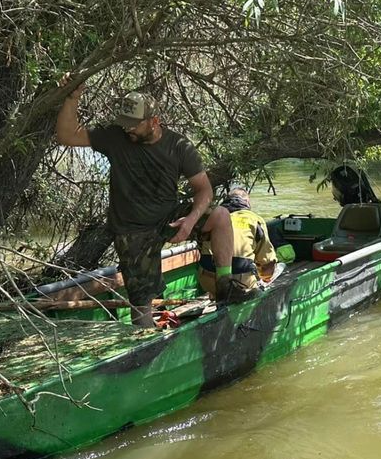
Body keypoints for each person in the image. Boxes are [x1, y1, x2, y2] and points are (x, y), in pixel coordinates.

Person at [55, 81, 250, 328]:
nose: (128, 131)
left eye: (134, 125)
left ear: (154, 122)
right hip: (132, 231)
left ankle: (226, 287)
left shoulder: (178, 147)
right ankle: (147, 344)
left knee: (221, 216)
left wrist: (189, 221)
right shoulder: (115, 137)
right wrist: (72, 97)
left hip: (168, 218)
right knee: (141, 305)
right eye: (125, 124)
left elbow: (204, 190)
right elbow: (66, 135)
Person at [196, 188, 277, 300]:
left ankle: (215, 295)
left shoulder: (215, 217)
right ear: (247, 202)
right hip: (240, 281)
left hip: (208, 280)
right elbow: (267, 262)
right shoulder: (254, 219)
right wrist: (265, 278)